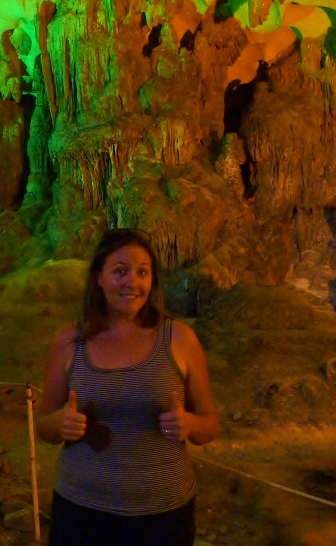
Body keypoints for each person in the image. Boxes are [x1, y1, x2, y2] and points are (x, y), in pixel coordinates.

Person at [36, 228, 219, 546]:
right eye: (120, 271)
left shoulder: (179, 340)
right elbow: (44, 424)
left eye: (142, 272)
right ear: (99, 277)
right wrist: (60, 423)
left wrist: (189, 423)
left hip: (162, 513)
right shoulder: (69, 341)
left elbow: (209, 424)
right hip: (83, 510)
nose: (132, 282)